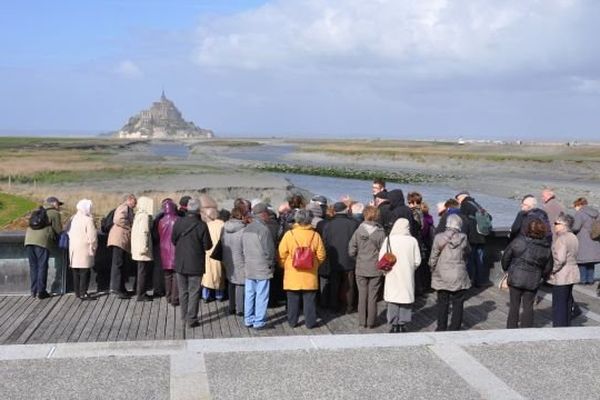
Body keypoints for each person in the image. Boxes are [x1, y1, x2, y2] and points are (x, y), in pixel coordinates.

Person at [278, 209, 326, 328]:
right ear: (310, 220)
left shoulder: (289, 234)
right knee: (310, 300)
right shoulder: (315, 235)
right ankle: (310, 323)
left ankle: (292, 322)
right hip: (310, 274)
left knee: (292, 299)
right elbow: (321, 255)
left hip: (292, 273)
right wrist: (314, 264)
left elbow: (281, 254)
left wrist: (285, 265)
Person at [501, 218, 553, 329]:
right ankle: (526, 330)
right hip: (533, 279)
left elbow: (506, 257)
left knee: (514, 305)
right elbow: (548, 267)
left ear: (528, 229)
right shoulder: (546, 247)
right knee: (528, 306)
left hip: (516, 276)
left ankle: (511, 329)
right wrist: (541, 275)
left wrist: (507, 270)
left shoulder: (518, 241)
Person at [172, 198, 212, 328]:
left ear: (188, 208)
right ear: (198, 210)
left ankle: (184, 317)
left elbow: (173, 240)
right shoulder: (201, 225)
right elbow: (207, 246)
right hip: (196, 264)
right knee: (194, 292)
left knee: (183, 291)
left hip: (180, 262)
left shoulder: (179, 222)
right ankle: (191, 319)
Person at [429, 214, 471, 331]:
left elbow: (433, 256)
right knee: (458, 302)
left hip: (442, 273)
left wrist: (433, 268)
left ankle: (441, 327)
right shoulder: (463, 238)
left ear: (447, 224)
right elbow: (468, 252)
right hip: (458, 273)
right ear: (459, 225)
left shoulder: (438, 238)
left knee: (443, 302)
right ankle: (455, 327)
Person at [380, 218, 421, 333]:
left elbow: (381, 257)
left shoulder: (389, 239)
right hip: (406, 273)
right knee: (405, 299)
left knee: (393, 298)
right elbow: (417, 260)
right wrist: (410, 268)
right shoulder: (412, 241)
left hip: (391, 272)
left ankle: (393, 324)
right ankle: (402, 324)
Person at [348, 205, 385, 328]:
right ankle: (371, 322)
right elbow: (384, 251)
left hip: (361, 267)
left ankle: (362, 321)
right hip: (375, 268)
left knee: (362, 295)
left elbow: (351, 251)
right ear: (376, 216)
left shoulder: (358, 231)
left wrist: (358, 258)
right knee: (373, 296)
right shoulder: (380, 232)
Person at [242, 203, 276, 330]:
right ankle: (259, 321)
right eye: (267, 214)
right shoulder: (263, 229)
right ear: (263, 214)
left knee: (249, 293)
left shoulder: (247, 228)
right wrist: (271, 264)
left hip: (249, 266)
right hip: (262, 267)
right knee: (261, 294)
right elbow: (269, 251)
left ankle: (248, 319)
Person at [322, 201, 359, 313]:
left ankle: (334, 305)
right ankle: (349, 306)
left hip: (334, 259)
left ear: (335, 211)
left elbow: (325, 242)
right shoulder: (354, 223)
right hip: (350, 258)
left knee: (334, 284)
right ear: (345, 210)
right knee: (349, 284)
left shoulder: (328, 224)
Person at [24, 196, 63, 299]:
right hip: (41, 242)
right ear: (54, 204)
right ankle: (41, 292)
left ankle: (33, 291)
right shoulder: (54, 213)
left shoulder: (37, 211)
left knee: (33, 266)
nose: (59, 207)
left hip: (28, 240)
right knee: (42, 266)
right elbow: (59, 231)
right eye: (59, 204)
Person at [548, 213, 580, 327]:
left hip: (562, 274)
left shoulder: (562, 239)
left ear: (564, 225)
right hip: (572, 272)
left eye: (556, 223)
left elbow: (560, 259)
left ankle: (559, 327)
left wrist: (552, 270)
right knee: (567, 301)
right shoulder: (573, 237)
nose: (554, 225)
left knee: (559, 303)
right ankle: (566, 326)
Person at [456, 191, 490, 287]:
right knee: (479, 260)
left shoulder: (465, 204)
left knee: (470, 260)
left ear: (462, 197)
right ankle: (479, 281)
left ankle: (469, 280)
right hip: (482, 236)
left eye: (458, 199)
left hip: (472, 237)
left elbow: (462, 221)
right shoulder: (477, 204)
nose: (458, 202)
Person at [107, 194, 137, 299]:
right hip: (118, 240)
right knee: (118, 264)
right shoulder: (124, 207)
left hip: (120, 240)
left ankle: (121, 288)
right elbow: (118, 219)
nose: (135, 204)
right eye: (134, 201)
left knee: (121, 264)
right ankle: (116, 288)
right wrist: (129, 226)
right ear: (129, 200)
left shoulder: (127, 208)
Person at [68, 199, 97, 301]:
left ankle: (77, 293)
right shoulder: (88, 220)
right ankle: (83, 292)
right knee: (85, 271)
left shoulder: (73, 218)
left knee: (75, 271)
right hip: (85, 248)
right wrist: (94, 247)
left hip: (73, 248)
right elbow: (92, 236)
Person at [222, 207, 247, 315]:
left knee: (231, 281)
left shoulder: (224, 227)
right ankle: (240, 309)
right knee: (240, 283)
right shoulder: (244, 229)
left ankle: (231, 307)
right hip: (240, 258)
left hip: (227, 258)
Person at [572, 197, 600, 285]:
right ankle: (590, 280)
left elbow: (576, 227)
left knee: (582, 262)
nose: (575, 208)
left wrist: (570, 229)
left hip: (583, 240)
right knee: (591, 262)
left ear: (579, 205)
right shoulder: (596, 213)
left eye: (575, 206)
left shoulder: (580, 213)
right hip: (594, 239)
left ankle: (583, 280)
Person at [131, 196, 154, 302]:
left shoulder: (138, 215)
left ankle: (139, 291)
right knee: (142, 272)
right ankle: (141, 294)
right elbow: (144, 232)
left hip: (137, 247)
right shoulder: (145, 216)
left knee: (140, 271)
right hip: (142, 248)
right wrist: (145, 247)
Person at [201, 208, 226, 302]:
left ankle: (205, 296)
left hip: (207, 253)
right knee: (219, 275)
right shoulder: (223, 225)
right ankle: (219, 295)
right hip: (219, 253)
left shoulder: (206, 225)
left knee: (207, 276)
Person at [158, 200, 179, 306]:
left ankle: (168, 296)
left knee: (167, 275)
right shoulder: (178, 220)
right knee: (176, 275)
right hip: (176, 250)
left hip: (164, 250)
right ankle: (175, 298)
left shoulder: (161, 221)